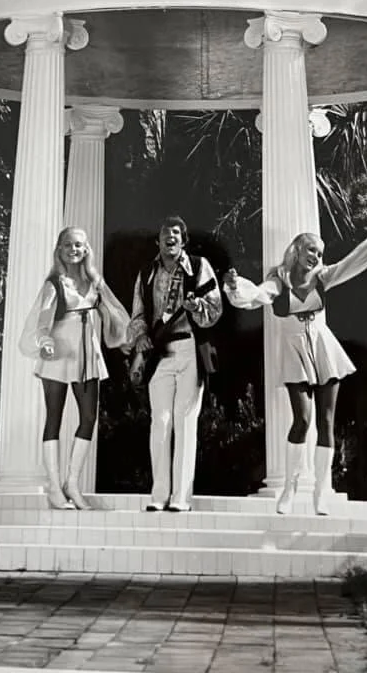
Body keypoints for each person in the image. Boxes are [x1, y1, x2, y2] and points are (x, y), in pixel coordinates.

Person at [224, 218, 367, 515]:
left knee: (326, 422)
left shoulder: (322, 276)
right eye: (311, 250)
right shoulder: (279, 278)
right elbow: (260, 295)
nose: (316, 256)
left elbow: (351, 263)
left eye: (319, 252)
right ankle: (289, 487)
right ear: (297, 249)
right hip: (293, 350)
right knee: (302, 420)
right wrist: (236, 287)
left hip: (323, 347)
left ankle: (319, 492)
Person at [19, 227, 130, 510]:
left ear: (86, 249)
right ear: (59, 249)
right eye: (68, 244)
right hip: (58, 353)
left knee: (89, 417)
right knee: (53, 417)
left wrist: (126, 339)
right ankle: (54, 487)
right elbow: (42, 321)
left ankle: (72, 482)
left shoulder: (94, 282)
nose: (74, 249)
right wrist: (44, 341)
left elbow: (113, 313)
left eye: (79, 245)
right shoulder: (54, 283)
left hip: (86, 354)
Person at [128, 216, 223, 512]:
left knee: (185, 421)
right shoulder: (147, 272)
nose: (169, 237)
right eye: (164, 233)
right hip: (159, 353)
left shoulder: (198, 266)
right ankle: (159, 496)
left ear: (183, 240)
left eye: (175, 233)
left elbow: (215, 309)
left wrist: (197, 308)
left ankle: (181, 498)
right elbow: (138, 314)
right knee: (161, 421)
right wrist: (141, 335)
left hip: (190, 349)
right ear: (157, 241)